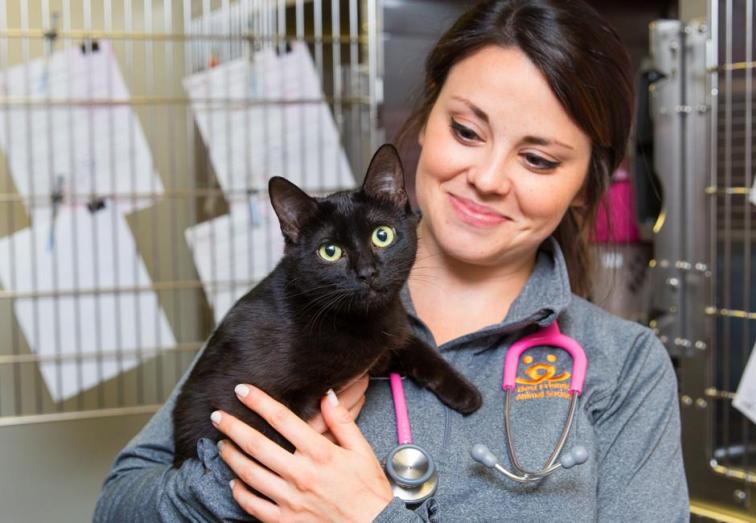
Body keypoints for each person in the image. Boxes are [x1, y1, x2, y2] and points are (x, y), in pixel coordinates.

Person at [93, 0, 689, 520]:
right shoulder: (291, 307)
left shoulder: (626, 370)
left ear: (588, 186)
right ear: (425, 124)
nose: (486, 178)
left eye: (537, 160)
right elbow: (120, 505)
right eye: (466, 130)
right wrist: (247, 473)